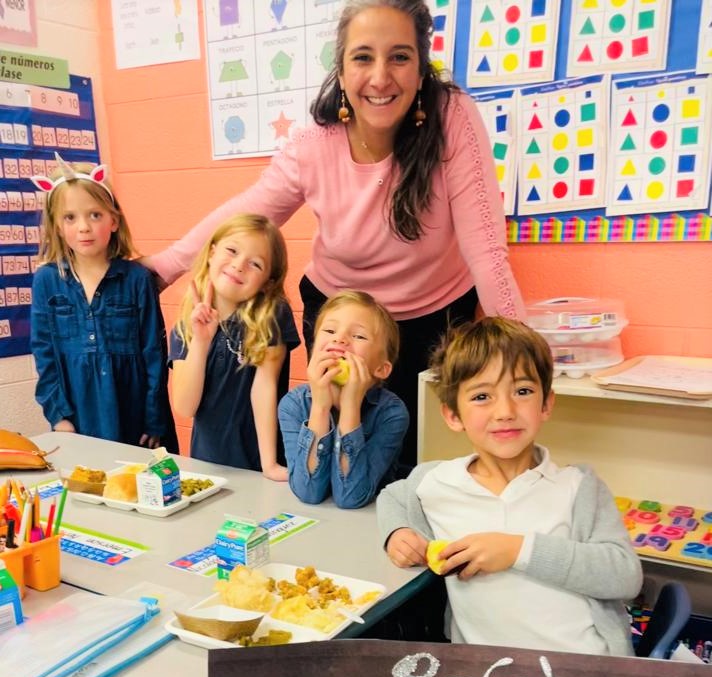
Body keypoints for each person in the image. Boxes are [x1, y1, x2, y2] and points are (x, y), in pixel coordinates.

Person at [146, 0, 525, 468]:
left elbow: (486, 249)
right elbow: (244, 213)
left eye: (400, 56)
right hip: (343, 318)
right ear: (341, 72)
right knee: (344, 454)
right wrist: (161, 268)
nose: (381, 77)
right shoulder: (313, 145)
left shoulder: (453, 117)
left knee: (425, 457)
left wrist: (526, 356)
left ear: (422, 67)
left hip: (436, 318)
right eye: (363, 57)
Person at [376, 318, 643, 656]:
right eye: (482, 396)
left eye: (522, 391)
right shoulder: (436, 482)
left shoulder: (578, 487)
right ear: (452, 415)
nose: (505, 411)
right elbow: (392, 497)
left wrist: (518, 551)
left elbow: (624, 575)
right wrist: (396, 532)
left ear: (546, 403)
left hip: (584, 671)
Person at [30, 155, 177, 450]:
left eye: (94, 215)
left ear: (113, 220)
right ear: (57, 226)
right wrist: (59, 416)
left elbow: (154, 354)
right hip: (76, 419)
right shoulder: (46, 280)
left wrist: (153, 419)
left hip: (135, 417)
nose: (84, 227)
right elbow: (44, 355)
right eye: (70, 217)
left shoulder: (137, 279)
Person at [169, 213, 299, 478]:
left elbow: (264, 386)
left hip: (258, 462)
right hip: (207, 466)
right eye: (232, 251)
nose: (239, 265)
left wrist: (269, 464)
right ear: (211, 253)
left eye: (255, 264)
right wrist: (201, 342)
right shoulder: (185, 325)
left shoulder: (271, 314)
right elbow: (184, 407)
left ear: (268, 283)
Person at [278, 290, 408, 508]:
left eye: (358, 336)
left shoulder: (392, 413)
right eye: (329, 330)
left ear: (381, 368)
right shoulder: (293, 405)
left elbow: (350, 496)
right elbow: (308, 492)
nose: (339, 339)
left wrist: (350, 406)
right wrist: (319, 407)